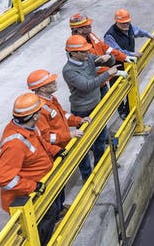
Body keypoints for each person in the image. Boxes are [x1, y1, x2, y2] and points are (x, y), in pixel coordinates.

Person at [0, 93, 64, 245]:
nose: (41, 114)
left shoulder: (30, 128)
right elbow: (3, 179)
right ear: (33, 116)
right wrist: (32, 186)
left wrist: (54, 151)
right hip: (25, 199)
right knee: (36, 233)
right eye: (39, 111)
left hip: (39, 189)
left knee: (49, 215)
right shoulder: (15, 144)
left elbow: (41, 145)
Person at [62, 35, 127, 180]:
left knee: (101, 138)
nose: (87, 53)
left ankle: (100, 167)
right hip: (83, 110)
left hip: (96, 105)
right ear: (73, 53)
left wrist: (107, 58)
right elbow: (87, 86)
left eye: (87, 50)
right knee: (84, 145)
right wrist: (108, 74)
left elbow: (107, 62)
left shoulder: (87, 58)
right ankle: (87, 177)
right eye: (84, 51)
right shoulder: (69, 71)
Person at [70, 13, 136, 118]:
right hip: (93, 87)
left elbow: (105, 47)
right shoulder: (77, 47)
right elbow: (91, 67)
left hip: (102, 80)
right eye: (87, 26)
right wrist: (114, 72)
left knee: (104, 112)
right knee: (96, 115)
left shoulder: (90, 35)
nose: (90, 27)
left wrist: (124, 57)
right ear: (79, 30)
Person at [27, 69, 88, 149]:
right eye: (51, 82)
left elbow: (62, 115)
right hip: (59, 150)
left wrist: (78, 120)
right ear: (42, 89)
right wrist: (68, 135)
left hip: (67, 143)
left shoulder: (51, 99)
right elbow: (47, 137)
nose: (55, 83)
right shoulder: (39, 110)